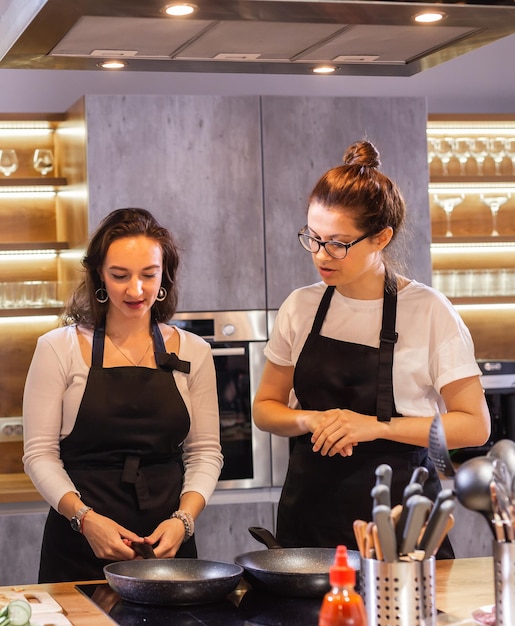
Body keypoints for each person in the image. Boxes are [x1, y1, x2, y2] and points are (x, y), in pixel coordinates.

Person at [253, 140, 490, 557]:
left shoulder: (429, 311)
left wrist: (377, 426)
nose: (321, 255)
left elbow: (474, 425)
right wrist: (314, 421)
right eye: (313, 237)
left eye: (338, 243)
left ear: (381, 237)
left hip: (402, 527)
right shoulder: (301, 306)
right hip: (308, 520)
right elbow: (266, 407)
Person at [23, 208, 223, 582]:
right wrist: (85, 520)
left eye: (149, 275)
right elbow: (39, 455)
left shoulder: (195, 351)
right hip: (78, 546)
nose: (136, 290)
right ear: (99, 274)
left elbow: (205, 452)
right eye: (120, 276)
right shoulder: (58, 348)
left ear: (165, 275)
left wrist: (183, 521)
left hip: (169, 550)